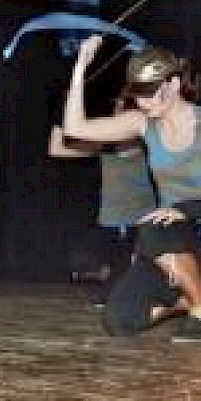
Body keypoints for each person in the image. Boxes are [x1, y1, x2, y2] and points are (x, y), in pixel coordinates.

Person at [63, 35, 201, 342]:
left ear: (173, 84)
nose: (144, 102)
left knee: (154, 227)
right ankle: (185, 301)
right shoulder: (143, 124)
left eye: (151, 93)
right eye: (139, 94)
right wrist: (81, 65)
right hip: (168, 241)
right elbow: (75, 129)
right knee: (118, 320)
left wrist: (182, 211)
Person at [47, 98, 157, 289]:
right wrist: (62, 112)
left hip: (142, 225)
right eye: (115, 107)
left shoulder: (151, 143)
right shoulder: (105, 146)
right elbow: (56, 149)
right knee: (82, 261)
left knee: (132, 281)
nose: (116, 113)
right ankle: (109, 273)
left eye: (122, 108)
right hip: (111, 227)